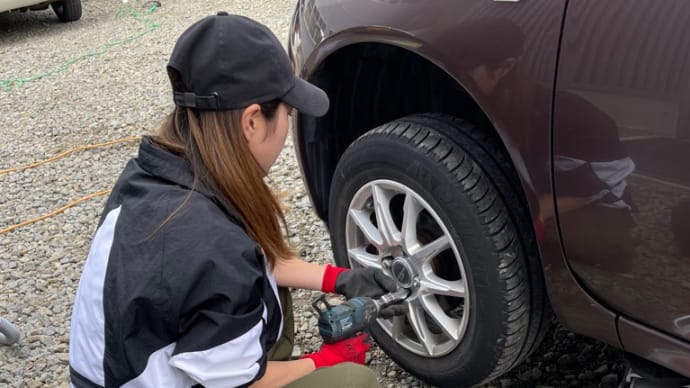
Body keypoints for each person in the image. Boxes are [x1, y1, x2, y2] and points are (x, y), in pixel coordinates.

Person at [68, 12, 398, 388]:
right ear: (252, 121)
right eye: (288, 114)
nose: (287, 129)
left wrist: (341, 279)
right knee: (354, 381)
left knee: (267, 290)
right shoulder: (213, 243)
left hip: (111, 370)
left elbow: (251, 260)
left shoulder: (162, 174)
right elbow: (245, 383)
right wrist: (324, 361)